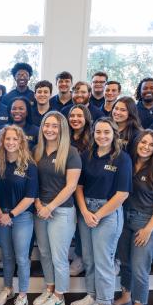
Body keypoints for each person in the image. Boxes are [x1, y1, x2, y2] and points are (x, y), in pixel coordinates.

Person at [72, 117, 131, 305]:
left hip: (107, 214)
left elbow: (122, 194)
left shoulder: (122, 158)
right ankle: (92, 296)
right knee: (88, 258)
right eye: (98, 132)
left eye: (107, 132)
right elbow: (78, 187)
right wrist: (85, 212)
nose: (102, 136)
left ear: (114, 134)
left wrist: (98, 214)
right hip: (86, 211)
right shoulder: (87, 155)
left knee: (103, 261)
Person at [112, 130, 153, 305]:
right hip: (124, 219)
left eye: (151, 144)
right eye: (143, 142)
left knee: (140, 267)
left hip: (146, 223)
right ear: (137, 143)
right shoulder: (127, 163)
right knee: (125, 262)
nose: (146, 146)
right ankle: (126, 296)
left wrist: (148, 230)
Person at [32, 112, 81, 305]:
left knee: (59, 257)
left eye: (54, 126)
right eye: (46, 125)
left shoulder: (71, 153)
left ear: (62, 129)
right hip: (40, 209)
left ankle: (60, 296)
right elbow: (32, 182)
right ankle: (50, 288)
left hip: (61, 211)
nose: (49, 129)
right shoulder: (37, 151)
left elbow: (71, 187)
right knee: (44, 252)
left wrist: (50, 207)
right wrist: (38, 205)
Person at [0, 125, 38, 305]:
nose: (10, 142)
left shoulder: (29, 165)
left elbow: (30, 197)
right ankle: (8, 288)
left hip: (22, 217)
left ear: (21, 142)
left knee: (21, 258)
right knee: (7, 256)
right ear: (2, 141)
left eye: (14, 139)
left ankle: (22, 295)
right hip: (1, 215)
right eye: (7, 139)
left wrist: (10, 216)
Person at [66, 104, 93, 276]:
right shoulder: (64, 136)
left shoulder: (92, 138)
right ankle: (74, 250)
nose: (75, 119)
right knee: (70, 220)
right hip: (66, 185)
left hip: (85, 186)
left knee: (82, 223)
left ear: (86, 119)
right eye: (72, 115)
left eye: (79, 116)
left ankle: (81, 257)